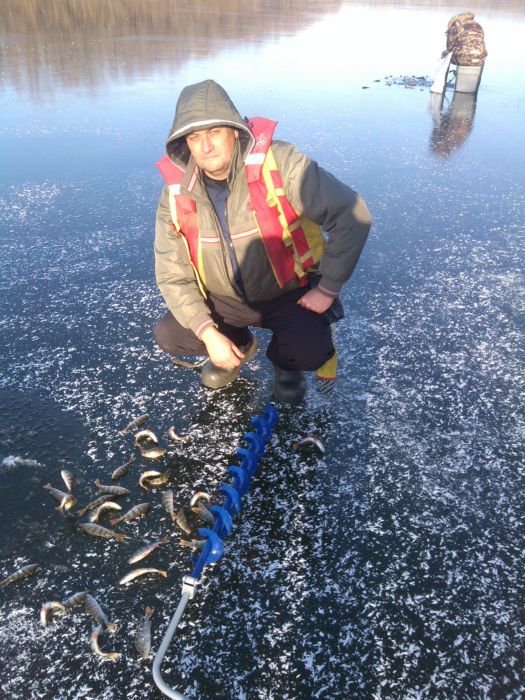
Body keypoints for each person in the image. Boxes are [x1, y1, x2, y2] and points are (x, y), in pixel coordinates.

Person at [153, 79, 371, 404]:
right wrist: (208, 333)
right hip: (223, 299)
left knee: (310, 348)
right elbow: (172, 273)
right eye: (195, 137)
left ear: (234, 131)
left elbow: (352, 214)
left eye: (214, 132)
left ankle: (286, 366)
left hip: (289, 292)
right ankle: (236, 346)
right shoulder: (176, 192)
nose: (205, 146)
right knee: (171, 334)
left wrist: (328, 288)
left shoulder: (280, 164)